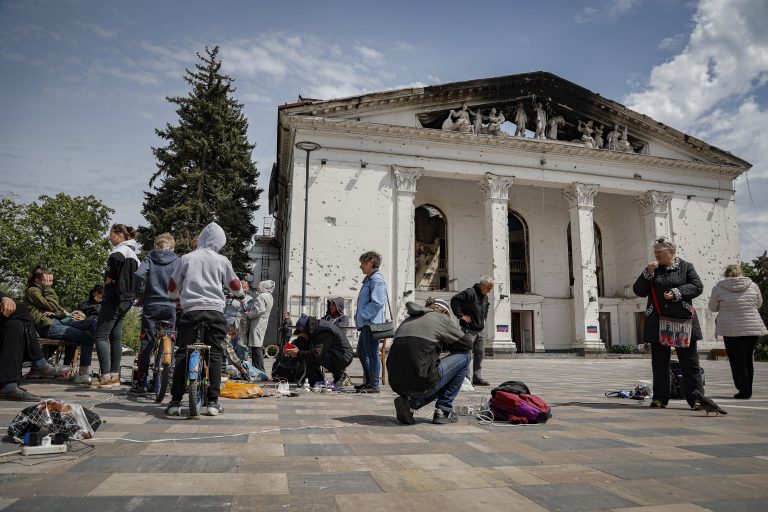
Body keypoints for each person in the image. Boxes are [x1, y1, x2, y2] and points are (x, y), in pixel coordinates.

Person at [165, 222, 244, 418]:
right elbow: (234, 284)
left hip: (191, 310)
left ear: (199, 238)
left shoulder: (186, 258)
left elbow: (173, 284)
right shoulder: (222, 260)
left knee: (183, 352)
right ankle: (213, 403)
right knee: (215, 354)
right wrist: (240, 293)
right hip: (215, 312)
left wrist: (173, 295)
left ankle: (175, 402)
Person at [633, 237, 705, 409]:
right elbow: (639, 291)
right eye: (655, 252)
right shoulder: (652, 269)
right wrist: (647, 274)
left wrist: (677, 292)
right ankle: (659, 398)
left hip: (682, 323)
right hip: (658, 323)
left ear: (672, 252)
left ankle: (696, 398)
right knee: (659, 363)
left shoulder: (686, 267)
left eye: (660, 252)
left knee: (690, 363)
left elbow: (697, 286)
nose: (657, 255)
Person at [387, 298, 473, 425]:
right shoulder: (441, 319)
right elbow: (467, 344)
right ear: (445, 313)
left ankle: (411, 403)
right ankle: (444, 410)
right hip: (421, 381)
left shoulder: (407, 319)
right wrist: (446, 342)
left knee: (432, 374)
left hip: (396, 383)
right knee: (464, 357)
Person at [23, 266, 95, 383]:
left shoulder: (42, 291)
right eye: (47, 281)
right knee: (87, 338)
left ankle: (81, 367)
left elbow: (59, 311)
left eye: (51, 281)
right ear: (37, 280)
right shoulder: (33, 291)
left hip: (58, 322)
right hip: (49, 327)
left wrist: (54, 312)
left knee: (91, 322)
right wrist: (49, 292)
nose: (50, 283)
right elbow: (52, 306)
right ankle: (82, 373)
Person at [131, 233, 180, 395]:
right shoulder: (177, 260)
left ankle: (141, 382)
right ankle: (168, 377)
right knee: (170, 338)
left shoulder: (150, 258)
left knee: (147, 342)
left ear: (155, 246)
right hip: (170, 306)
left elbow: (138, 275)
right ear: (172, 247)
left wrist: (139, 294)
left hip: (151, 306)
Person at [91, 224, 140, 388]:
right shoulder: (134, 254)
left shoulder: (119, 251)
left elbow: (115, 265)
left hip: (114, 298)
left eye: (111, 235)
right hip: (127, 299)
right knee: (116, 337)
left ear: (119, 235)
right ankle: (114, 376)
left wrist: (110, 279)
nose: (109, 238)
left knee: (101, 336)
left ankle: (105, 377)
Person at [708, 264, 767, 399]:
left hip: (731, 329)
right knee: (747, 359)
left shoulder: (718, 287)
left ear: (726, 274)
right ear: (741, 273)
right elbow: (759, 304)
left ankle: (742, 389)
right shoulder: (753, 285)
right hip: (751, 328)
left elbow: (712, 307)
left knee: (736, 360)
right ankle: (748, 390)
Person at [1, 290, 54, 400]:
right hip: (45, 323)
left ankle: (8, 386)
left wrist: (4, 297)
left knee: (15, 326)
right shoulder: (33, 291)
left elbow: (55, 307)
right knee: (21, 309)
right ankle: (39, 362)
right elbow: (48, 305)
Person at [285, 313, 353, 387]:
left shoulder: (323, 331)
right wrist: (289, 347)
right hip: (336, 353)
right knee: (309, 349)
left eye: (301, 332)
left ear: (306, 329)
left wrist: (298, 353)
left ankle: (341, 376)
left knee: (316, 355)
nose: (300, 335)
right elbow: (301, 340)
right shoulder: (313, 328)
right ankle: (317, 379)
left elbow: (317, 354)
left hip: (344, 356)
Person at [354, 250, 388, 394]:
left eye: (363, 263)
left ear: (371, 263)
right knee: (362, 352)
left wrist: (364, 315)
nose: (360, 266)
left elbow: (377, 303)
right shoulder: (370, 279)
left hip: (371, 324)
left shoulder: (377, 280)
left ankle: (373, 384)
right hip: (367, 324)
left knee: (372, 354)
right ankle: (369, 382)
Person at [450, 276, 492, 386]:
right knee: (467, 355)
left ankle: (477, 378)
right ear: (482, 285)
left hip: (480, 330)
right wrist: (460, 315)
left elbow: (486, 307)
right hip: (468, 330)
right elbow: (455, 300)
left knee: (480, 354)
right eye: (488, 288)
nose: (489, 291)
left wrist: (484, 318)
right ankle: (466, 379)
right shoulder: (470, 292)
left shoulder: (485, 296)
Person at [246, 280, 274, 372]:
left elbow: (259, 310)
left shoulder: (261, 296)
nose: (258, 288)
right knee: (257, 345)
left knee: (256, 346)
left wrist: (249, 314)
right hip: (262, 323)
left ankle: (259, 369)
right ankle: (257, 369)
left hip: (257, 323)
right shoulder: (269, 296)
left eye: (260, 286)